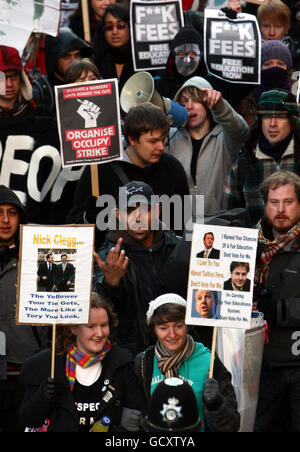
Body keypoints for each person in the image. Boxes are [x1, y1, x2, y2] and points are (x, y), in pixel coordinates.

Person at [19, 292, 146, 432]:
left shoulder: (122, 363)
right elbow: (28, 419)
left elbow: (135, 417)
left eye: (104, 325)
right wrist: (42, 398)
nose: (100, 333)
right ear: (74, 328)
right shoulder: (47, 364)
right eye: (91, 326)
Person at [68, 103, 190, 249]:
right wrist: (89, 217)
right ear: (132, 139)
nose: (161, 147)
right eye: (153, 141)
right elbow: (74, 225)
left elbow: (183, 225)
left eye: (163, 139)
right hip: (110, 262)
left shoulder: (173, 169)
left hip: (158, 265)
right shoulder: (100, 168)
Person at [93, 181, 181, 356]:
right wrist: (110, 285)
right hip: (132, 358)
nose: (138, 218)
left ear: (157, 211)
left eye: (144, 210)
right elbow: (97, 318)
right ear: (118, 214)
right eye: (130, 211)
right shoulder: (109, 259)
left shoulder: (177, 248)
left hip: (178, 350)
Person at [0, 45, 85, 225]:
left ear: (21, 78)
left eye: (13, 77)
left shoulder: (44, 121)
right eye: (2, 78)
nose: (8, 84)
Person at [134, 293, 240, 432]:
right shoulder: (143, 362)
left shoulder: (209, 362)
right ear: (153, 329)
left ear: (188, 326)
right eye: (163, 328)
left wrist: (216, 404)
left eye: (178, 326)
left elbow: (232, 426)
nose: (172, 334)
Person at [254, 170, 300, 432]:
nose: (280, 209)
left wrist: (278, 310)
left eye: (289, 202)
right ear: (264, 204)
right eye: (274, 202)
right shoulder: (246, 243)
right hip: (259, 365)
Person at [0, 185, 49, 432]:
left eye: (12, 212)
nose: (5, 220)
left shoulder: (37, 255)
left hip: (26, 368)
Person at [167, 76, 249, 216]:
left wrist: (220, 107)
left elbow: (241, 129)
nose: (189, 106)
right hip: (180, 227)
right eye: (184, 101)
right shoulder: (170, 136)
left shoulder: (225, 137)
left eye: (197, 101)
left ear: (208, 104)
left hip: (218, 225)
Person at [223, 88, 300, 226]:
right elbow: (230, 223)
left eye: (280, 117)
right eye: (266, 116)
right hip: (254, 245)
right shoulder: (242, 165)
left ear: (292, 121)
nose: (272, 124)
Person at [32, 27, 92, 112]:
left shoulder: (90, 82)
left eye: (77, 55)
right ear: (54, 60)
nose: (74, 61)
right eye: (66, 56)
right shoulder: (41, 92)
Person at [236, 39, 293, 126]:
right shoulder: (244, 97)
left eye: (280, 63)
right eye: (268, 64)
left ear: (287, 67)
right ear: (259, 67)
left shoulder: (296, 95)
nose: (274, 68)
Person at [93, 4, 134, 94]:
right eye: (109, 27)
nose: (115, 32)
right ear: (103, 31)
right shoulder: (94, 61)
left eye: (120, 26)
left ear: (131, 28)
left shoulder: (142, 61)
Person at [257, 0, 300, 70]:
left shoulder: (295, 53)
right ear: (259, 27)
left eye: (278, 27)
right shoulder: (250, 53)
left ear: (286, 28)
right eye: (266, 26)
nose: (272, 33)